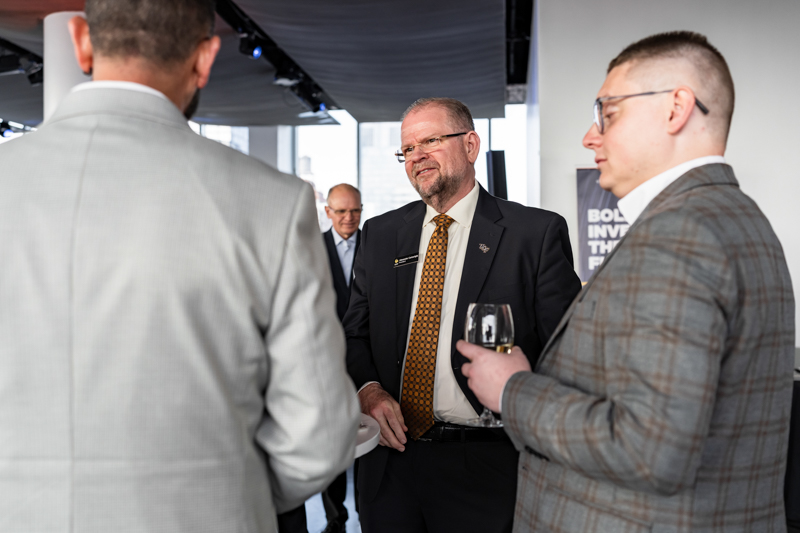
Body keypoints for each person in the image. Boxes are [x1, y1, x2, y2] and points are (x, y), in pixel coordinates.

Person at [0, 1, 360, 532]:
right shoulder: (270, 203)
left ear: (79, 41)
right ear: (206, 57)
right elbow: (318, 433)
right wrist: (223, 490)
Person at [459, 31, 795, 532]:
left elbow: (650, 452)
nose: (589, 136)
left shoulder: (681, 234)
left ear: (677, 108)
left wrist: (512, 390)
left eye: (608, 113)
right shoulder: (736, 218)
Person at [344, 97, 582, 532]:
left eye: (431, 141)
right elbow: (353, 335)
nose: (417, 157)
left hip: (485, 465)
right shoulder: (380, 234)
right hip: (389, 466)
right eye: (408, 149)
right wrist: (369, 390)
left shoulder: (534, 234)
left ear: (470, 145)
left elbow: (565, 355)